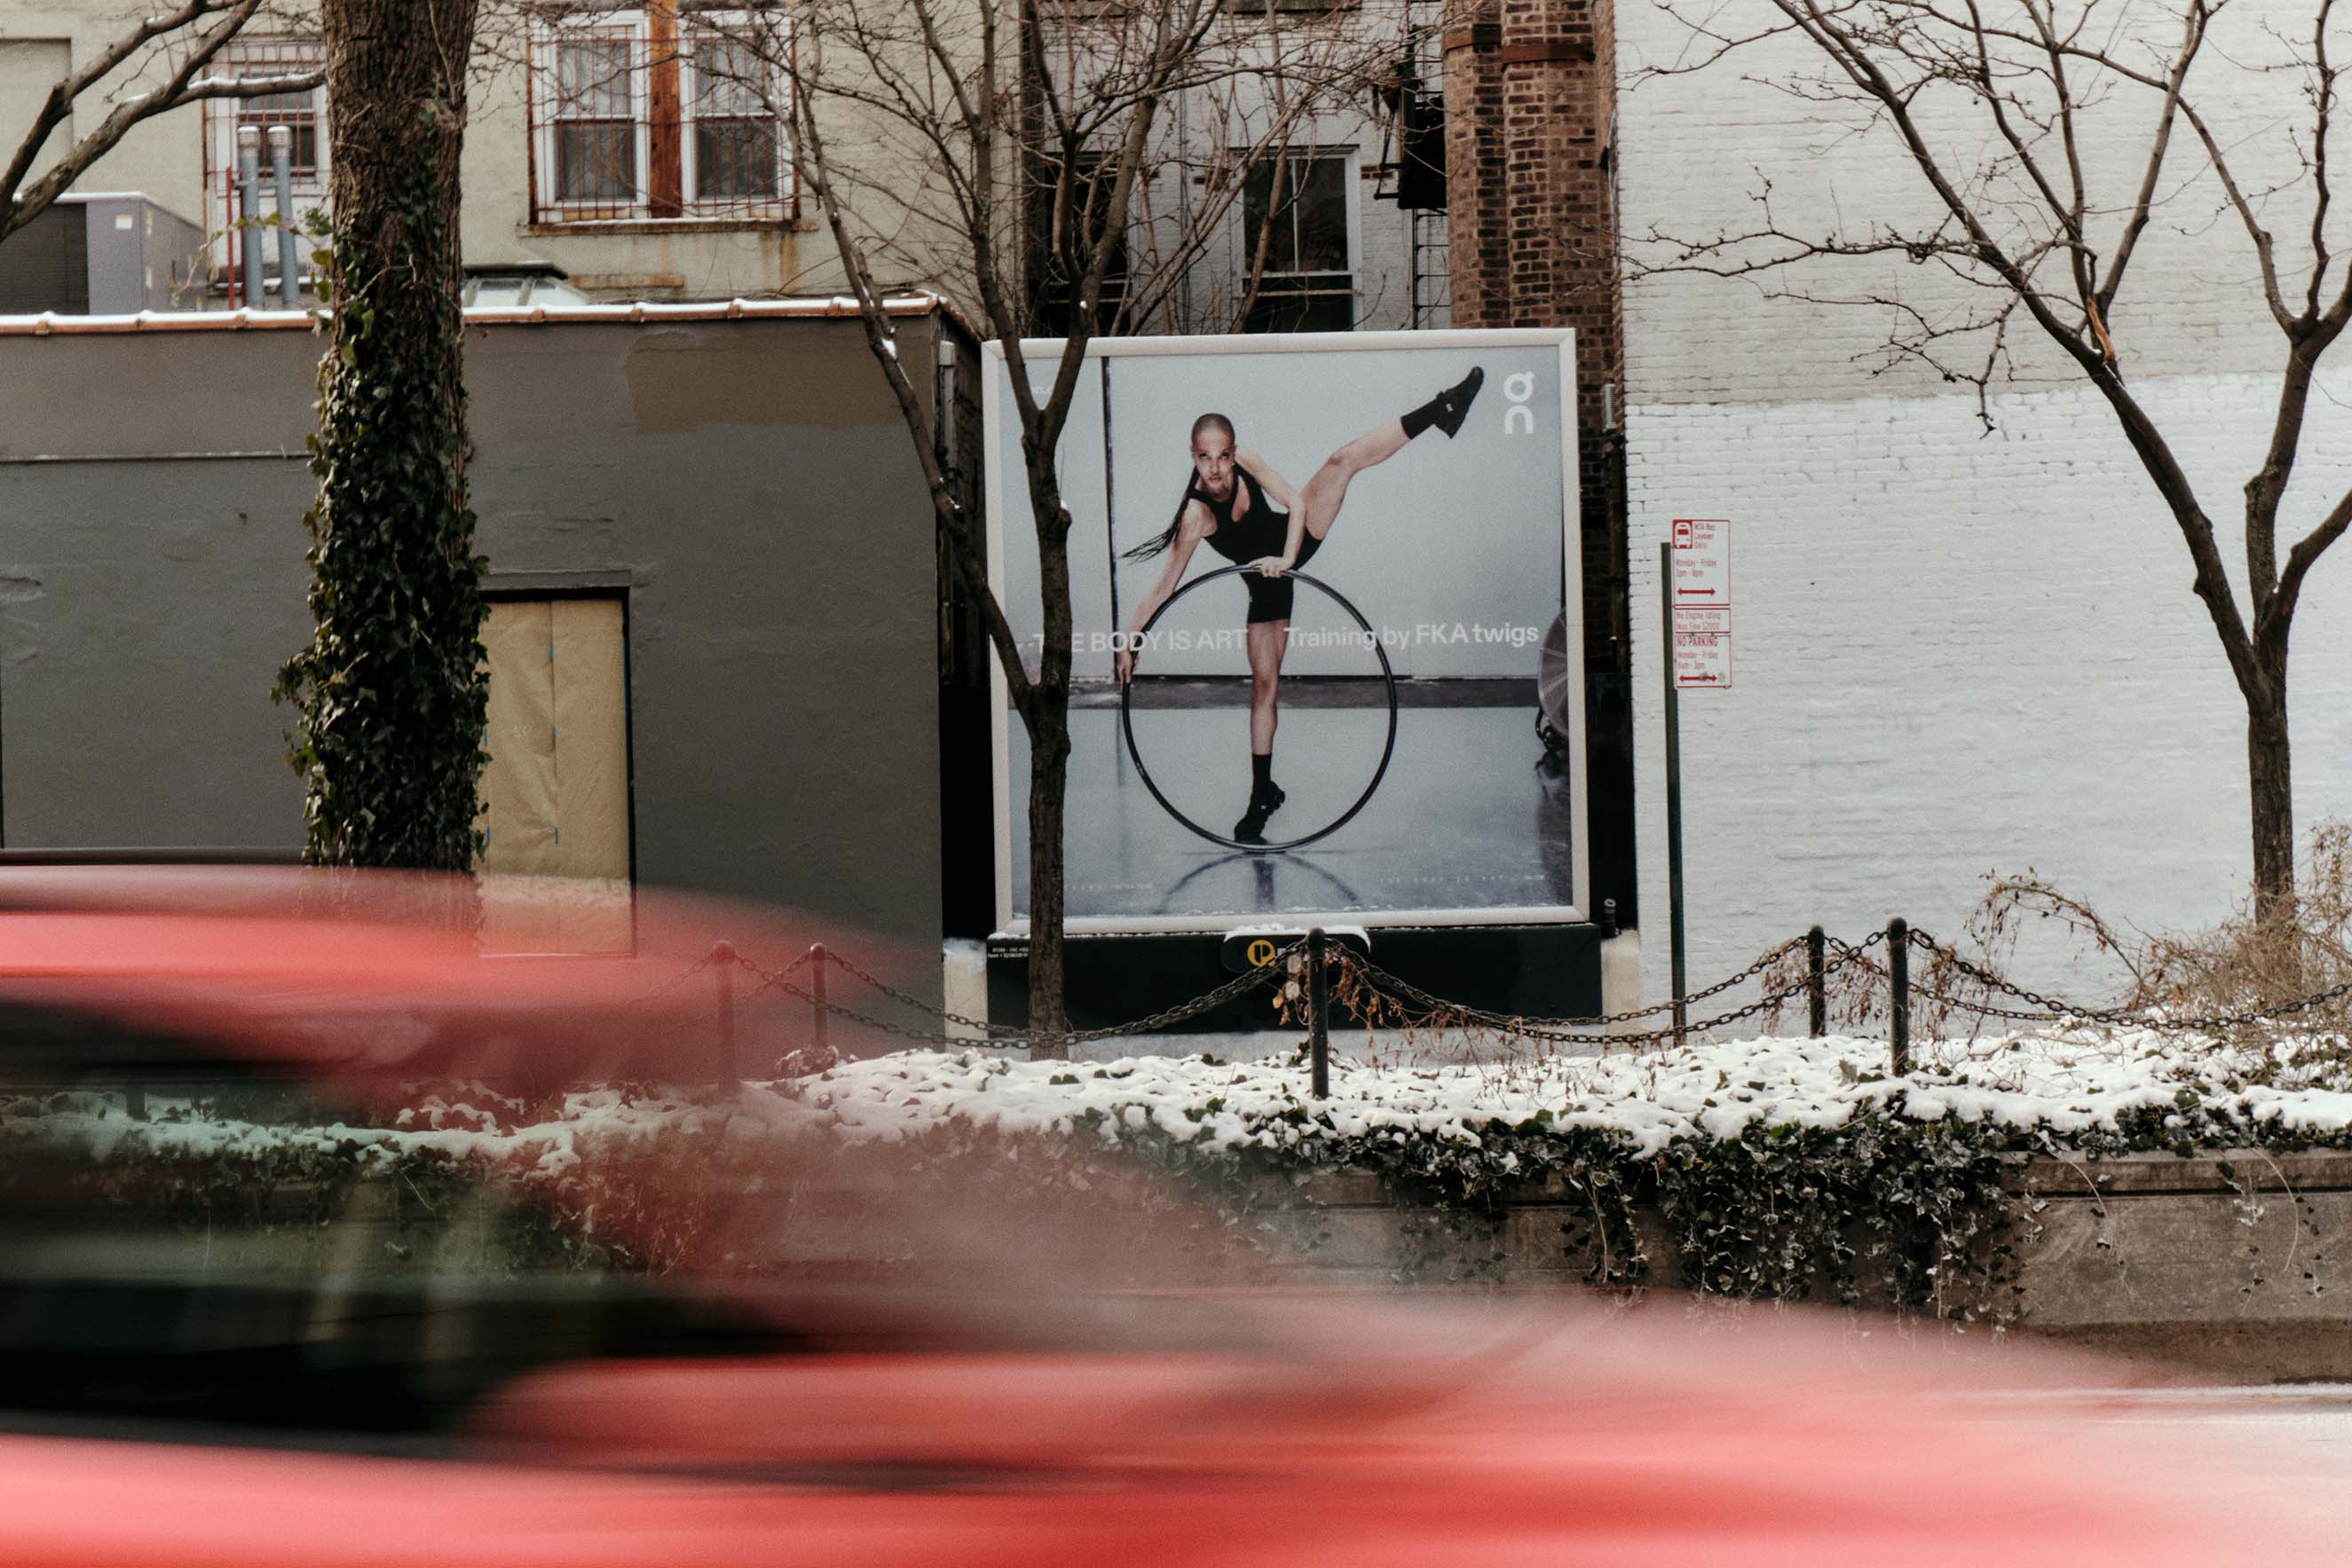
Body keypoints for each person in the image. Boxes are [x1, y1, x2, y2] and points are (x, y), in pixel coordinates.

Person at [1115, 367, 1484, 844]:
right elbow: (1164, 585)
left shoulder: (1248, 462)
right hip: (1264, 587)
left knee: (1342, 460)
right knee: (1263, 690)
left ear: (1233, 452)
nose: (1217, 469)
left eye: (1223, 456)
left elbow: (1296, 503)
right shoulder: (1195, 514)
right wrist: (1130, 642)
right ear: (1193, 456)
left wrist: (1287, 559)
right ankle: (1262, 795)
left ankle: (1442, 408)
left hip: (1293, 542)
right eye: (1205, 458)